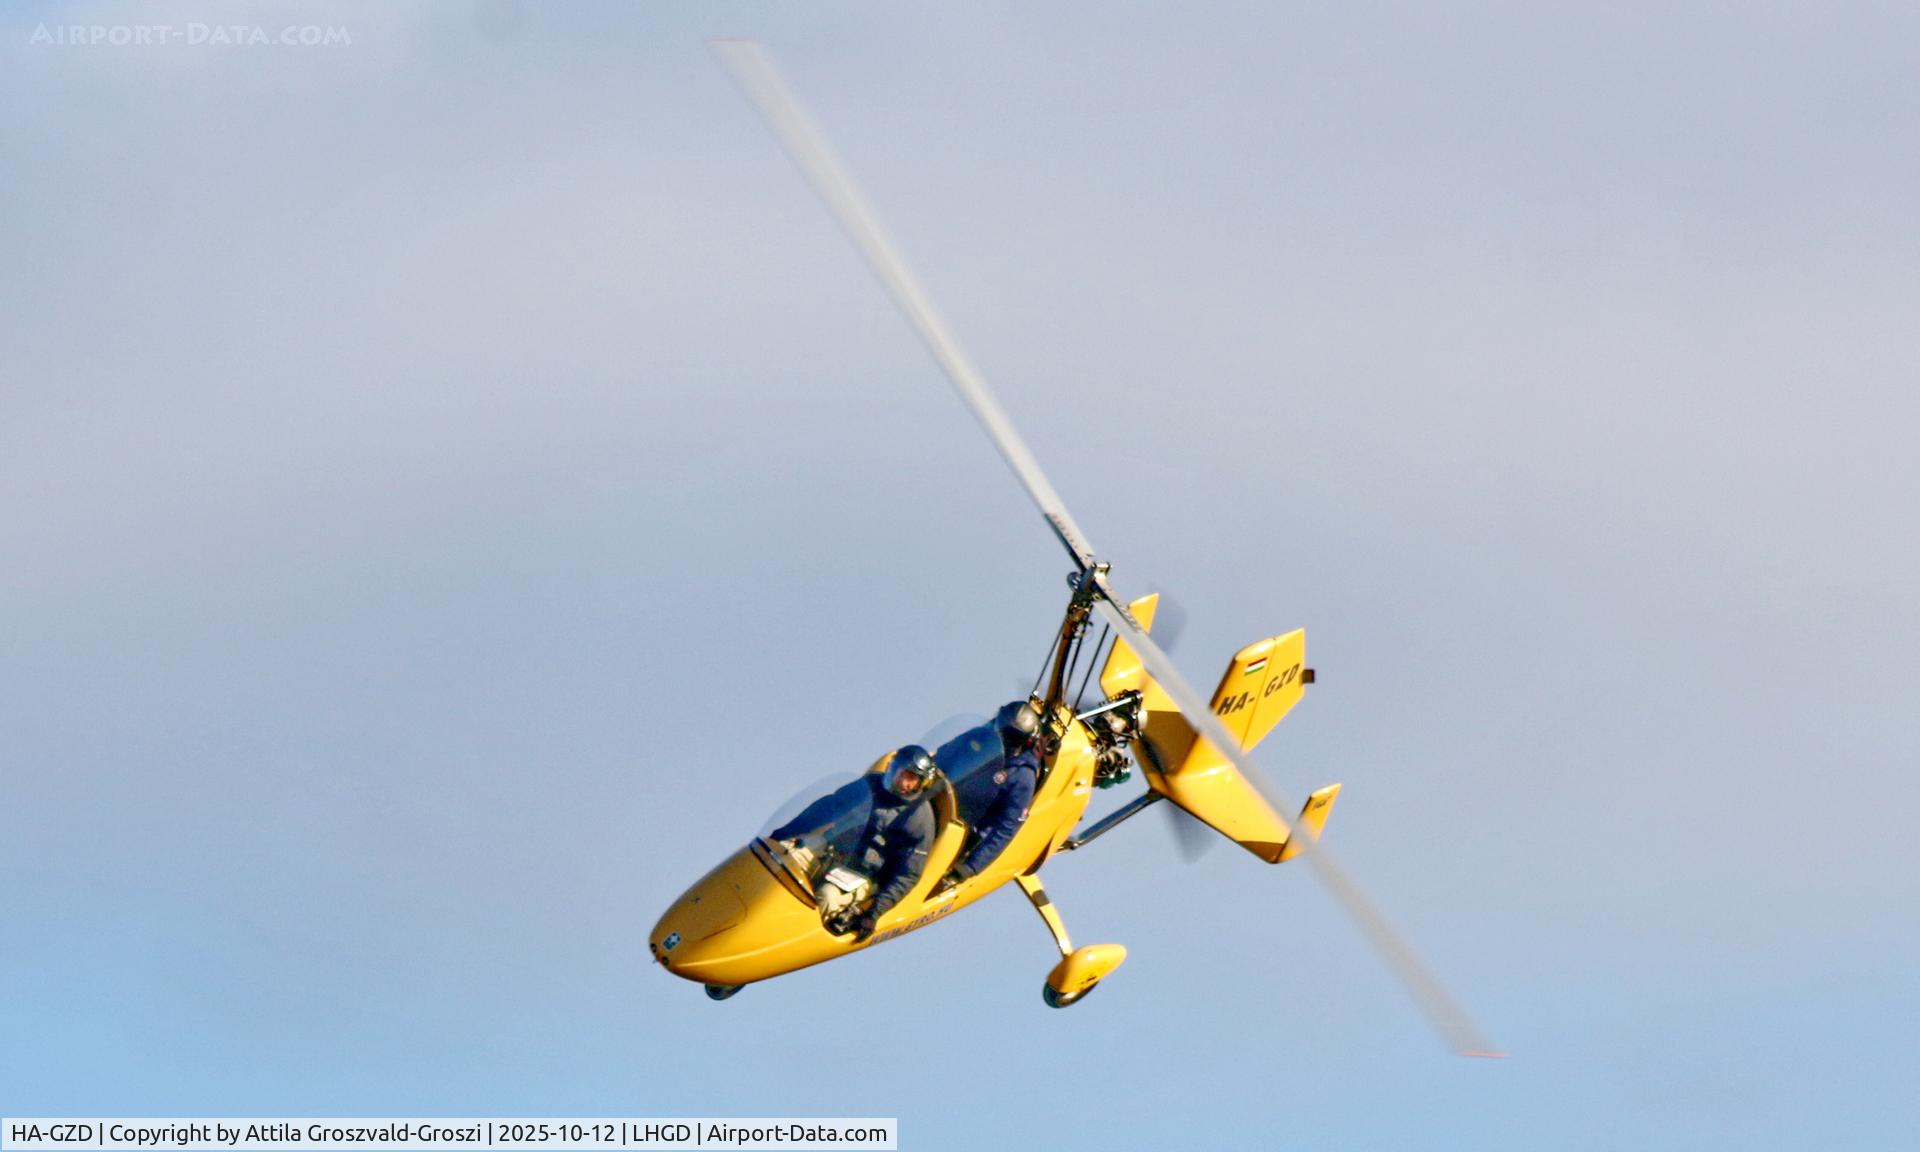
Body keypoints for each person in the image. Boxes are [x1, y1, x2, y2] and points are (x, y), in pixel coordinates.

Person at [823, 745, 938, 942]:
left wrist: (873, 913)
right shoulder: (870, 784)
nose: (905, 784)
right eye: (903, 775)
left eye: (913, 780)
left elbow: (908, 875)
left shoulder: (920, 820)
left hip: (863, 873)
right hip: (835, 851)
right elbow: (832, 806)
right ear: (893, 769)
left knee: (827, 896)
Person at [939, 700, 1042, 891]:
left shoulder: (1022, 777)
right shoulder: (980, 740)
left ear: (1025, 742)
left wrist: (970, 867)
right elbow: (945, 755)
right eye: (1000, 729)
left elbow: (1006, 829)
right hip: (940, 806)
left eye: (1009, 737)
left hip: (963, 836)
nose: (1001, 738)